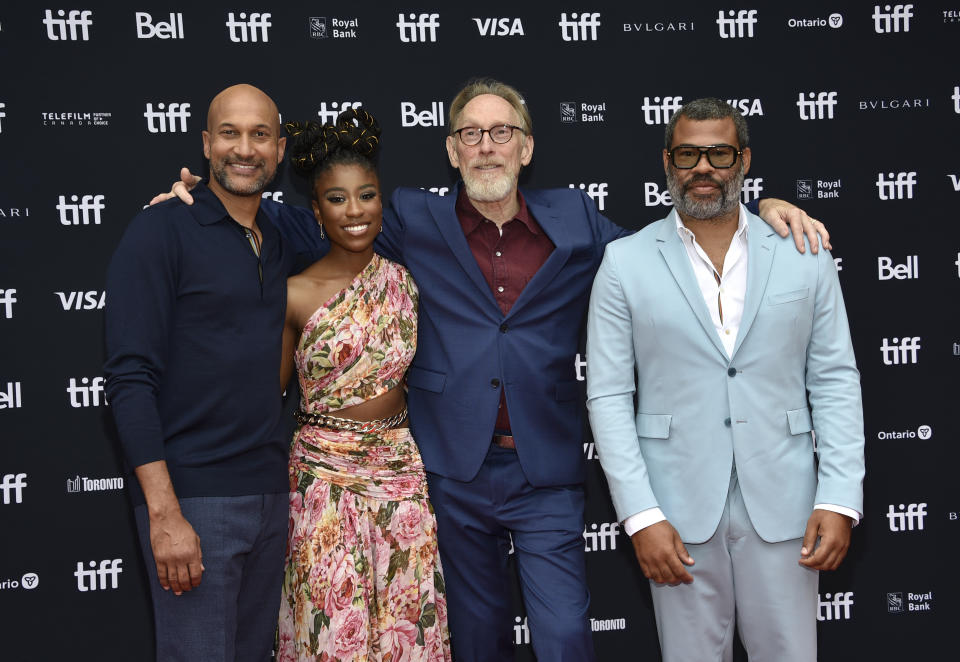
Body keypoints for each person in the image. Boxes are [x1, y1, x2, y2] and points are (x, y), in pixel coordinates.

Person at [156, 78, 829, 662]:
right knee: (476, 639)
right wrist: (203, 202)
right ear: (451, 150)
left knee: (565, 635)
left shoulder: (575, 219)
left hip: (546, 470)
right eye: (470, 134)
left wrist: (759, 214)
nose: (486, 146)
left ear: (526, 147)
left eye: (501, 132)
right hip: (452, 470)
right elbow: (317, 227)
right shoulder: (412, 218)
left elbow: (666, 254)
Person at [585, 98, 864, 662]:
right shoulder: (624, 261)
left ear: (744, 160)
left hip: (786, 506)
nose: (703, 167)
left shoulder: (803, 251)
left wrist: (839, 496)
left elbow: (835, 378)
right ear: (668, 162)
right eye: (688, 153)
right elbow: (609, 395)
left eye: (720, 152)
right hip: (675, 511)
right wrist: (641, 516)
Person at [103, 84, 297, 661]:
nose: (245, 148)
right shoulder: (159, 231)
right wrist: (164, 514)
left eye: (260, 135)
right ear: (207, 143)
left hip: (270, 495)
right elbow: (129, 378)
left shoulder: (287, 234)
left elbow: (356, 223)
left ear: (280, 149)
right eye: (230, 133)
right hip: (193, 503)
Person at [275, 108, 450, 661]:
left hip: (399, 470)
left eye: (367, 195)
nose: (355, 211)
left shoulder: (404, 281)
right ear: (316, 210)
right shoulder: (294, 294)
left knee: (406, 627)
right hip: (321, 476)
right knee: (331, 629)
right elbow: (266, 396)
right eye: (337, 199)